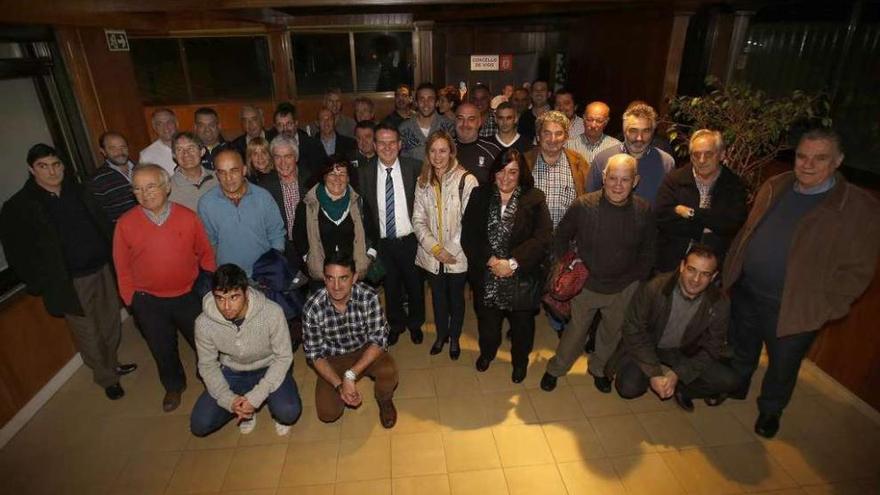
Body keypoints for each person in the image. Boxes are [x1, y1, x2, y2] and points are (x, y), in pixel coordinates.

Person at [723, 128, 880, 438]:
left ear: (838, 161)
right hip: (748, 291)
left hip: (793, 306)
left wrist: (825, 307)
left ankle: (770, 410)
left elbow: (859, 269)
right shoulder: (775, 185)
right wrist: (733, 272)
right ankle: (736, 385)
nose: (808, 165)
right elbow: (748, 231)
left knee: (783, 366)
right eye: (802, 156)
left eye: (819, 158)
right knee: (742, 348)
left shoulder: (858, 207)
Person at [0, 144, 135, 400]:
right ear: (31, 169)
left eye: (56, 164)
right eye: (43, 166)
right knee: (88, 332)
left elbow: (103, 226)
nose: (51, 172)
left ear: (63, 166)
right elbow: (17, 253)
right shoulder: (19, 206)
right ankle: (107, 378)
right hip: (70, 281)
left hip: (102, 269)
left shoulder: (80, 190)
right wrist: (41, 283)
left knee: (110, 322)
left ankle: (112, 363)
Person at [540, 154, 656, 393]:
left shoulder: (644, 209)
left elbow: (649, 248)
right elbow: (561, 236)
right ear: (604, 177)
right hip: (586, 285)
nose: (617, 185)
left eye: (625, 180)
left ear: (636, 181)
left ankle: (599, 369)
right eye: (613, 178)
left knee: (611, 334)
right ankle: (556, 369)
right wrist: (566, 265)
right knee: (574, 333)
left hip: (624, 288)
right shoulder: (584, 205)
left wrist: (638, 280)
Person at [113, 164, 215, 411]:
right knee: (162, 348)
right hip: (148, 301)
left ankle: (212, 380)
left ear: (166, 187)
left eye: (150, 186)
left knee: (203, 343)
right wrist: (132, 301)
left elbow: (207, 254)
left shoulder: (188, 217)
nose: (144, 193)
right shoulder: (125, 224)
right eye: (137, 189)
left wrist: (210, 287)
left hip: (188, 295)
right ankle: (173, 386)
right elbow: (121, 267)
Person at [611, 245, 741, 411]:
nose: (696, 279)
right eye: (691, 270)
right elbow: (633, 329)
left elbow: (713, 346)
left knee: (729, 381)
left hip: (684, 351)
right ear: (681, 267)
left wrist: (678, 373)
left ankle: (682, 390)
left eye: (705, 274)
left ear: (714, 276)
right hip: (648, 344)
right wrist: (654, 372)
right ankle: (653, 379)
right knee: (628, 388)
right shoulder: (654, 287)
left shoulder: (720, 302)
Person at [462, 148, 552, 383]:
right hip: (487, 274)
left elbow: (543, 238)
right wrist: (491, 261)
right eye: (501, 171)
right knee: (488, 325)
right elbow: (469, 235)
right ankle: (488, 353)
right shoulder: (480, 195)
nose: (506, 177)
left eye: (513, 172)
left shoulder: (534, 197)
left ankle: (520, 362)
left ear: (521, 174)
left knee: (522, 327)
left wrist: (512, 263)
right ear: (493, 173)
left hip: (521, 276)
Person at [190, 264, 301, 437]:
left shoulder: (272, 313)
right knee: (200, 424)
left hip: (268, 366)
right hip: (232, 371)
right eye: (220, 298)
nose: (226, 306)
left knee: (288, 412)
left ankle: (260, 406)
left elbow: (284, 357)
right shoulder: (203, 323)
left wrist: (255, 398)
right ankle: (243, 410)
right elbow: (207, 365)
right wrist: (230, 400)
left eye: (234, 297)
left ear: (247, 293)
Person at [301, 253, 399, 428]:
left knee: (389, 370)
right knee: (328, 414)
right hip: (332, 358)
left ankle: (384, 399)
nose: (336, 286)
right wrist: (340, 386)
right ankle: (340, 390)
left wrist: (351, 374)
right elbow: (314, 354)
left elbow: (379, 339)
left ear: (354, 278)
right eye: (330, 278)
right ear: (324, 278)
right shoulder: (312, 307)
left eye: (343, 278)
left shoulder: (368, 297)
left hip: (364, 350)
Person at [412, 131, 478, 359]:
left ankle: (455, 338)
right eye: (433, 151)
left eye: (443, 150)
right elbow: (417, 219)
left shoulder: (467, 180)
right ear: (427, 153)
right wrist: (435, 249)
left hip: (456, 254)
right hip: (432, 255)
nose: (438, 156)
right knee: (438, 299)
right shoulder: (422, 182)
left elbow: (470, 220)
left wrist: (449, 249)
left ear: (451, 151)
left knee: (456, 299)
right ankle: (441, 335)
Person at [358, 123, 425, 345]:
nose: (387, 147)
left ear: (400, 145)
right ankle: (395, 324)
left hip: (411, 239)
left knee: (415, 285)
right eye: (382, 143)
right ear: (375, 146)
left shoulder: (414, 167)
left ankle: (416, 324)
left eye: (392, 143)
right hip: (383, 242)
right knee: (391, 286)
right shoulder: (365, 173)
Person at [655, 129, 747, 272]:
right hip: (673, 264)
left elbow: (732, 224)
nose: (702, 160)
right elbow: (662, 217)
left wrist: (690, 214)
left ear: (722, 154)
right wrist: (705, 227)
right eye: (696, 155)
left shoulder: (734, 185)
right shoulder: (674, 180)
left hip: (714, 268)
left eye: (708, 154)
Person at [198, 150, 285, 277]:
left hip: (264, 275)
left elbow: (276, 234)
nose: (228, 178)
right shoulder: (206, 203)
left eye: (234, 170)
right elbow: (209, 244)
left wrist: (273, 265)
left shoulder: (263, 197)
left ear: (244, 170)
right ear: (217, 175)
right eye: (222, 172)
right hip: (229, 279)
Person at [293, 154, 370, 287]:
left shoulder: (359, 202)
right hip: (320, 277)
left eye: (342, 174)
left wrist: (368, 259)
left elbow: (373, 233)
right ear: (324, 177)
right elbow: (298, 236)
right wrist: (309, 259)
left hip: (353, 276)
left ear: (348, 178)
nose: (337, 179)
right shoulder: (307, 204)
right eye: (332, 174)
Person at [588, 102, 674, 205]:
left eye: (646, 131)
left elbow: (669, 205)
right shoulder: (603, 159)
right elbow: (589, 202)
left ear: (653, 132)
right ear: (624, 131)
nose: (639, 138)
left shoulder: (666, 163)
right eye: (633, 131)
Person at [255, 136, 311, 271]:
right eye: (277, 157)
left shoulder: (311, 180)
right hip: (280, 252)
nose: (282, 162)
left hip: (310, 248)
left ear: (296, 157)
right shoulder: (264, 186)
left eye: (287, 156)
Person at [266, 103, 327, 177]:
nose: (285, 129)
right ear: (275, 127)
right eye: (280, 125)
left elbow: (324, 172)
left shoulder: (313, 145)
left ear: (296, 123)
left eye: (289, 124)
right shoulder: (270, 146)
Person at [88, 131, 137, 223]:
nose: (120, 152)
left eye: (123, 147)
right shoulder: (97, 180)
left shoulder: (142, 169)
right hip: (125, 232)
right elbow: (100, 217)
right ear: (103, 151)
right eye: (113, 148)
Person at [400, 82, 455, 162]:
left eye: (430, 99)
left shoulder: (448, 126)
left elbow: (453, 156)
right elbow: (403, 160)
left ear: (437, 102)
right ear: (416, 103)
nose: (426, 103)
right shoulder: (404, 129)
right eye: (422, 99)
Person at [454, 103, 502, 185]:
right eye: (460, 118)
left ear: (479, 122)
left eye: (471, 119)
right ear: (455, 121)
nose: (465, 124)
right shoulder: (444, 150)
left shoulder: (493, 151)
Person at [168, 131, 217, 211]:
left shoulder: (218, 178)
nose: (186, 154)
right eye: (179, 149)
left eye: (191, 148)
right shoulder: (167, 188)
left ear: (202, 152)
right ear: (174, 156)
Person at [139, 108, 178, 175]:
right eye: (160, 124)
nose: (166, 127)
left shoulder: (192, 145)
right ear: (154, 127)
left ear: (177, 123)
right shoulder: (146, 156)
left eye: (169, 122)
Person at [517, 79, 551, 145]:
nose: (539, 93)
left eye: (542, 90)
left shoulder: (556, 116)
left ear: (549, 94)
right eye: (536, 90)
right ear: (531, 94)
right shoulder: (524, 117)